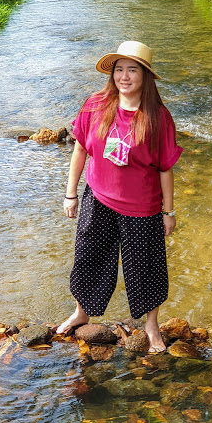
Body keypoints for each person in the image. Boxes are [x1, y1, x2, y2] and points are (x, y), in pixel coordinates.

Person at [58, 41, 183, 353]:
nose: (124, 76)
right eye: (119, 69)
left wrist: (169, 212)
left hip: (142, 207)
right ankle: (81, 313)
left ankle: (151, 326)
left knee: (147, 268)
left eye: (133, 70)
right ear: (111, 73)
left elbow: (165, 168)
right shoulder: (95, 105)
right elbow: (81, 149)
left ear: (145, 76)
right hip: (97, 198)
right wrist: (71, 194)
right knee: (87, 258)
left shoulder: (158, 117)